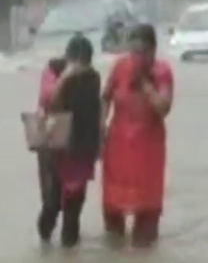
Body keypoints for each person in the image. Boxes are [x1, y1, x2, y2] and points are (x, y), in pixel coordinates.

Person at [101, 23, 174, 247]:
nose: (136, 57)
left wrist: (145, 84)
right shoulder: (120, 67)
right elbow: (105, 97)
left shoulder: (162, 73)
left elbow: (164, 108)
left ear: (152, 51)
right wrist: (100, 124)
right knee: (113, 216)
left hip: (147, 152)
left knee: (147, 218)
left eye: (141, 52)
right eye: (133, 51)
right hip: (118, 148)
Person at [36, 34, 102, 247]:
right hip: (53, 147)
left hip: (80, 147)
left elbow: (96, 110)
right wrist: (67, 76)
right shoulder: (53, 71)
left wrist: (100, 141)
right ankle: (44, 247)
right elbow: (50, 101)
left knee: (73, 212)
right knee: (51, 205)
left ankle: (69, 262)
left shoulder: (93, 77)